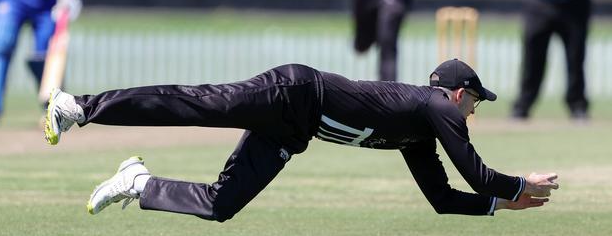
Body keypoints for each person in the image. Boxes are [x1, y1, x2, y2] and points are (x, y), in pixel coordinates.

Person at [43, 59, 559, 220]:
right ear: (458, 93)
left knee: (223, 206)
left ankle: (139, 183)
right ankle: (82, 107)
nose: (474, 110)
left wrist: (496, 205)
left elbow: (444, 200)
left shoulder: (419, 135)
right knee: (198, 103)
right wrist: (515, 186)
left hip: (293, 129)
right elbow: (476, 172)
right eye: (476, 100)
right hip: (292, 92)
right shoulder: (437, 107)